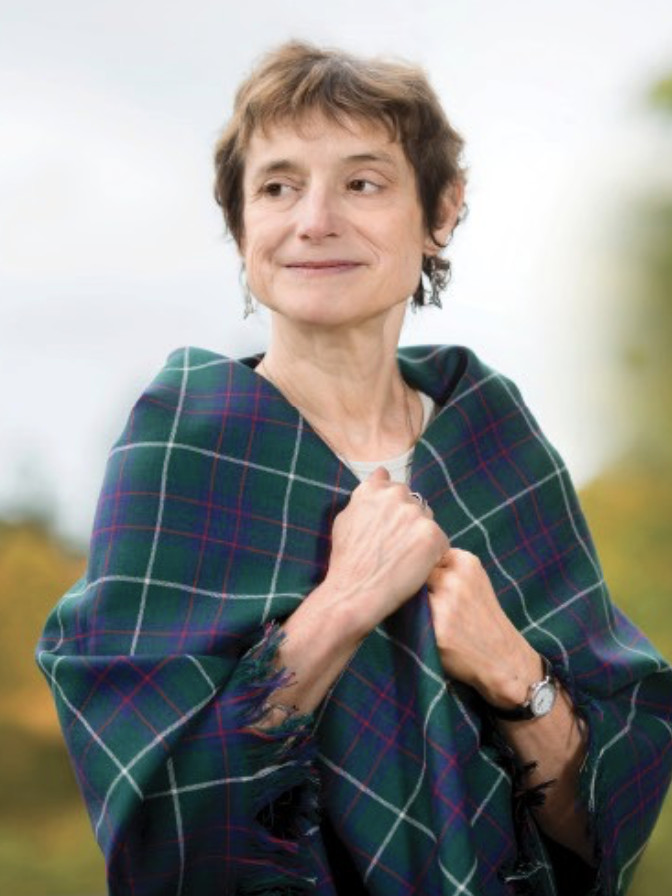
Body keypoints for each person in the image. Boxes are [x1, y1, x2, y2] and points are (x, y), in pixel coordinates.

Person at [37, 41, 672, 896]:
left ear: (440, 211)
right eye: (278, 186)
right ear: (241, 225)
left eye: (363, 183)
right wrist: (342, 607)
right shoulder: (182, 453)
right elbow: (161, 835)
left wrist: (516, 673)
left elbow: (600, 839)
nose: (313, 221)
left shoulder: (500, 446)